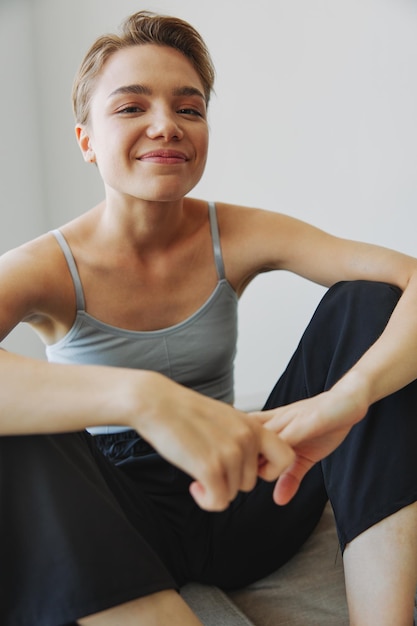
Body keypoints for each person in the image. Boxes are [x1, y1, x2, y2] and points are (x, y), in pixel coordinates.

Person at [1, 9, 417, 626]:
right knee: (18, 431)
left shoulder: (237, 231)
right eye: (131, 107)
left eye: (189, 109)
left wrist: (349, 397)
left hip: (248, 498)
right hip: (123, 524)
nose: (166, 125)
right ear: (87, 140)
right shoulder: (45, 265)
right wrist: (141, 397)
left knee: (370, 302)